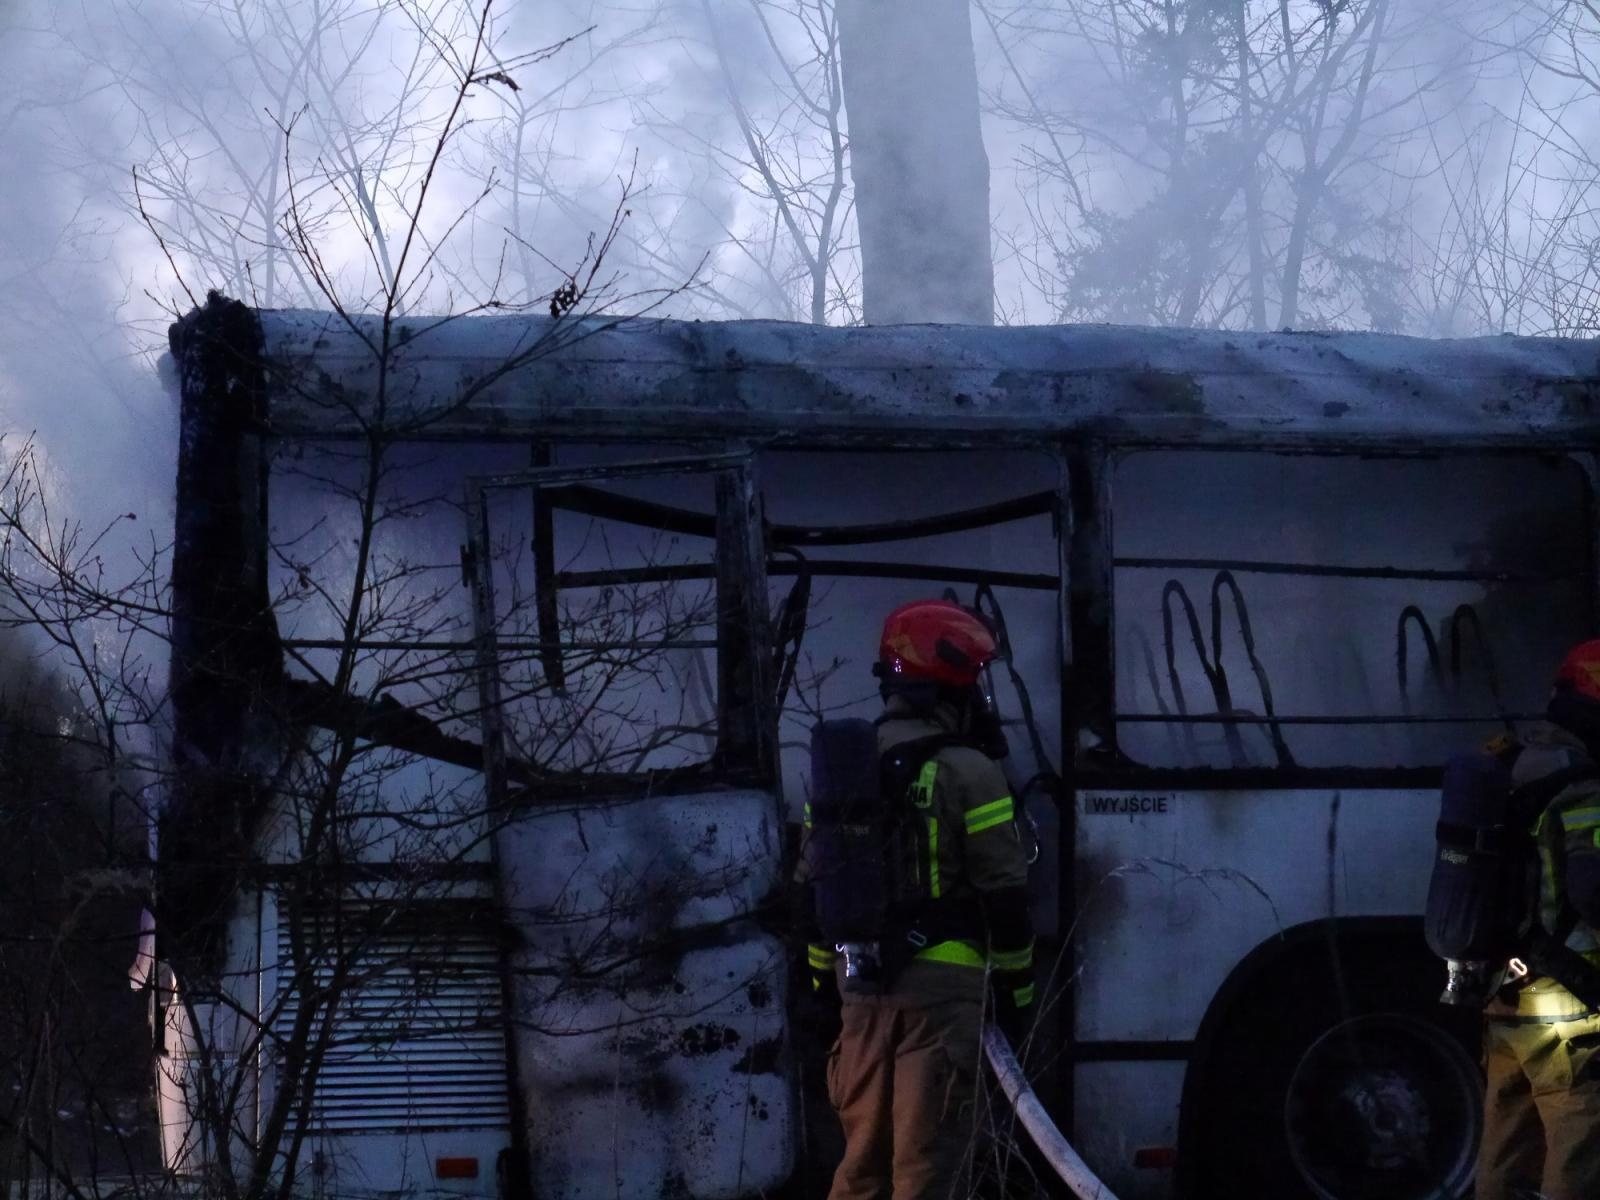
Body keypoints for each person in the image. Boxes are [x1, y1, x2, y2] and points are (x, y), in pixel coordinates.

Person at [805, 599, 1035, 1200]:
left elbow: (815, 890)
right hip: (942, 998)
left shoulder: (840, 771)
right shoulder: (971, 770)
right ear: (952, 687)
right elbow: (1006, 895)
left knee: (859, 1170)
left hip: (859, 989)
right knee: (926, 1170)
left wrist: (823, 985)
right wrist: (1019, 996)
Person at [1476, 639, 1600, 1200]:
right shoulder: (1584, 782)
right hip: (1566, 1007)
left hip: (1504, 995)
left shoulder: (1515, 763)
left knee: (1508, 1152)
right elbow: (1594, 890)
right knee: (1580, 1148)